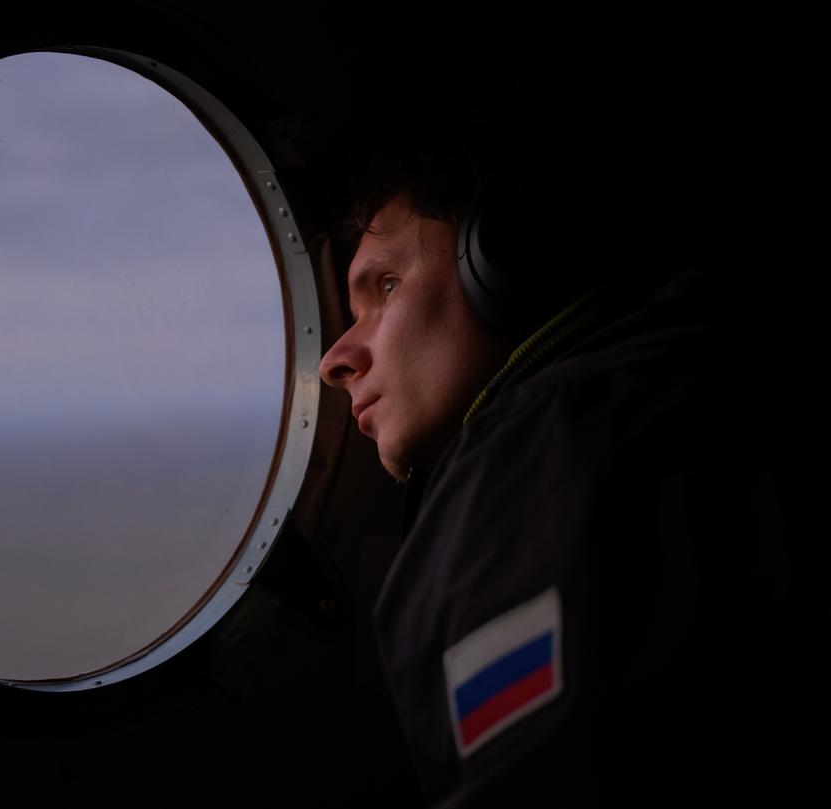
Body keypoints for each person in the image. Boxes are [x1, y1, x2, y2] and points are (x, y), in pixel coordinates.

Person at [316, 113, 824, 805]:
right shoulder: (688, 379)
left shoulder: (532, 464)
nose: (335, 360)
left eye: (385, 287)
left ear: (502, 256)